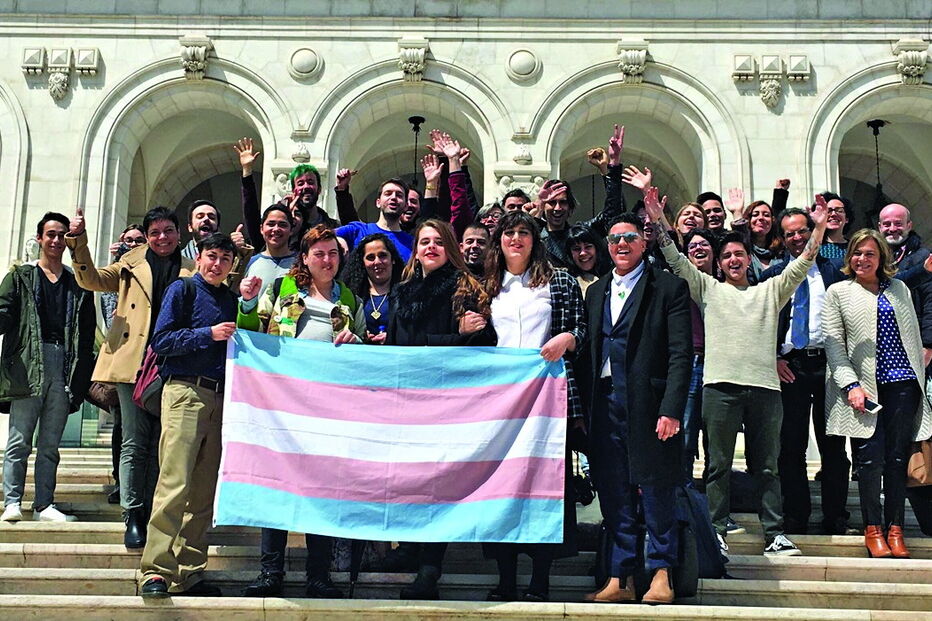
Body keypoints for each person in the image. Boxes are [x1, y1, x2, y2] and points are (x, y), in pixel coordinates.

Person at [647, 187, 829, 557]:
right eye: (727, 254)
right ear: (720, 262)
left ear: (749, 260)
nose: (733, 259)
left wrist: (820, 227)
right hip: (719, 389)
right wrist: (657, 220)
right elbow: (677, 260)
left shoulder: (772, 290)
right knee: (718, 466)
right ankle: (715, 531)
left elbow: (805, 261)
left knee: (768, 467)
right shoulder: (708, 289)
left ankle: (774, 533)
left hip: (765, 389)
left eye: (739, 254)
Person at [238, 225, 364, 599]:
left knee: (321, 491)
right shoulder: (282, 292)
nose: (327, 260)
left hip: (328, 410)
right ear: (305, 259)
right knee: (276, 487)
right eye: (319, 254)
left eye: (333, 254)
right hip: (283, 405)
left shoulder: (349, 298)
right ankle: (270, 572)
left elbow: (358, 351)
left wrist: (355, 340)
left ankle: (318, 576)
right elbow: (251, 332)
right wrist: (246, 303)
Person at [579, 212, 692, 605]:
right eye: (614, 240)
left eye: (629, 237)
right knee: (614, 490)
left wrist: (672, 408)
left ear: (643, 243)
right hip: (605, 401)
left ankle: (662, 573)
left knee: (658, 488)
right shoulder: (596, 292)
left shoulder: (669, 287)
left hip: (650, 405)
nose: (621, 245)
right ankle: (620, 575)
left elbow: (682, 354)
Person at [66, 205, 195, 548]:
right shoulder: (129, 263)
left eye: (168, 231)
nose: (162, 238)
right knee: (135, 441)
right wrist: (78, 241)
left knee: (165, 441)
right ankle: (133, 514)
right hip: (133, 361)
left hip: (173, 362)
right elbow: (89, 279)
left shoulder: (191, 269)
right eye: (155, 233)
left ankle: (158, 510)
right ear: (148, 236)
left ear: (178, 234)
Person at [481, 210, 587, 603]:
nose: (516, 239)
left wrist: (566, 340)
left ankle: (540, 578)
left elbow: (581, 329)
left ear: (534, 238)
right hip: (501, 402)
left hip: (548, 398)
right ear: (500, 240)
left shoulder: (558, 279)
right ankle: (505, 577)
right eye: (509, 232)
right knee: (502, 487)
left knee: (545, 486)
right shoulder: (489, 284)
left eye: (523, 232)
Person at [386, 219, 493, 599]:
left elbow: (482, 345)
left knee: (437, 487)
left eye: (437, 242)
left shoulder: (468, 290)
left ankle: (430, 568)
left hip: (448, 404)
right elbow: (397, 348)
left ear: (450, 246)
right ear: (415, 249)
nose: (430, 247)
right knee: (409, 481)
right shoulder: (402, 292)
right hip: (408, 403)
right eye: (424, 242)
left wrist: (447, 339)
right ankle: (408, 550)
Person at [138, 233, 239, 598]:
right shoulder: (182, 290)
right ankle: (155, 571)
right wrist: (206, 334)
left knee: (202, 492)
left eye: (225, 259)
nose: (217, 264)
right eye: (212, 256)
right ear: (199, 257)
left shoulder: (230, 299)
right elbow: (161, 341)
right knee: (174, 483)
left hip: (220, 396)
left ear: (232, 265)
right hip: (183, 391)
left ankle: (190, 569)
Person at [823, 229, 932, 559]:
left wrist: (921, 373)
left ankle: (895, 529)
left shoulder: (899, 288)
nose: (862, 259)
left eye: (869, 254)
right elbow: (833, 344)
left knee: (898, 460)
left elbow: (911, 336)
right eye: (857, 253)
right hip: (864, 391)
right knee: (870, 462)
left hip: (903, 385)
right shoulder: (839, 292)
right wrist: (850, 385)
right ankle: (873, 529)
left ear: (881, 258)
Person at [759, 206, 851, 535]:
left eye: (802, 231)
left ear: (814, 231)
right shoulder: (773, 276)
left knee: (833, 446)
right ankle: (796, 514)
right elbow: (762, 323)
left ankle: (835, 516)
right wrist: (774, 358)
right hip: (791, 367)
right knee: (791, 445)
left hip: (828, 365)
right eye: (790, 234)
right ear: (782, 240)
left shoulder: (836, 272)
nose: (797, 238)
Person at [0, 213, 96, 523]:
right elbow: (3, 313)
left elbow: (87, 334)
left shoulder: (78, 282)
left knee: (51, 443)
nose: (56, 241)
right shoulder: (21, 276)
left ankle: (43, 504)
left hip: (63, 364)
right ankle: (12, 501)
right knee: (19, 439)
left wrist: (80, 379)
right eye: (50, 234)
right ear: (40, 238)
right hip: (29, 363)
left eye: (61, 235)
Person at [533, 125, 626, 268]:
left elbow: (613, 213)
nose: (557, 208)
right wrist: (538, 205)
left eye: (563, 202)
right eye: (551, 202)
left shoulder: (582, 233)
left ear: (570, 209)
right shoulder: (534, 236)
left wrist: (609, 168)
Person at [101, 224, 146, 505]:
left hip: (149, 361)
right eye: (128, 241)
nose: (133, 245)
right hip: (123, 360)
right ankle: (121, 482)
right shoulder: (117, 274)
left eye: (138, 240)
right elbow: (111, 318)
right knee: (123, 428)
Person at [235, 138, 338, 251]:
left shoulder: (334, 227)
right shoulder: (278, 233)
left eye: (310, 182)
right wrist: (247, 171)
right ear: (293, 191)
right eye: (300, 183)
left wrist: (342, 191)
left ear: (319, 189)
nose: (306, 187)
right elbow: (251, 215)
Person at [680, 228, 717, 485]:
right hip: (691, 362)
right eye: (692, 246)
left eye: (704, 244)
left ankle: (717, 509)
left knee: (717, 442)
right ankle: (683, 503)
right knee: (685, 436)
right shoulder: (680, 284)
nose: (698, 249)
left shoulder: (729, 283)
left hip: (721, 364)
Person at [341, 233, 405, 344]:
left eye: (382, 255)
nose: (377, 262)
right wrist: (360, 336)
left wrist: (392, 337)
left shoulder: (407, 293)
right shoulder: (351, 296)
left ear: (392, 259)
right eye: (370, 257)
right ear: (363, 263)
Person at [336, 178, 415, 262]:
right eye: (388, 194)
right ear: (378, 202)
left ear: (406, 206)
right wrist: (337, 239)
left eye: (399, 195)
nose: (393, 197)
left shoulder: (412, 243)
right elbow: (323, 234)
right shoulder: (357, 230)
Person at [241, 206, 297, 299]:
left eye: (282, 225)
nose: (276, 229)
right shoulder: (250, 263)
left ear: (291, 230)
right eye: (271, 224)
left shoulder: (301, 263)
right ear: (261, 229)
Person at [564, 224, 611, 296]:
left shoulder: (613, 275)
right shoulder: (567, 283)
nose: (583, 253)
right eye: (577, 249)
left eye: (588, 247)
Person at [817, 192, 853, 260]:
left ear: (847, 219)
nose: (833, 214)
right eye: (829, 210)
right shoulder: (814, 247)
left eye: (839, 210)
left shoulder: (854, 247)